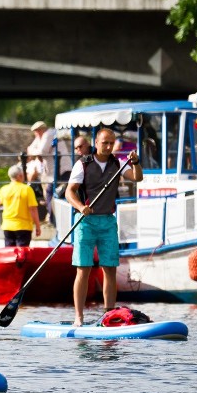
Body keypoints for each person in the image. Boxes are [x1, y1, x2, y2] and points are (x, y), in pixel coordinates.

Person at [65, 128, 143, 326]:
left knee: (110, 269)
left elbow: (137, 178)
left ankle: (109, 315)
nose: (108, 147)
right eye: (104, 143)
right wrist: (81, 207)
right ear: (96, 142)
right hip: (86, 223)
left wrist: (135, 162)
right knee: (83, 269)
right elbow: (69, 192)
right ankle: (78, 317)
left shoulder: (117, 163)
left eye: (111, 143)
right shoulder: (83, 164)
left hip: (108, 221)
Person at [0, 165, 41, 246]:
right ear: (20, 176)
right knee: (22, 254)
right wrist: (38, 226)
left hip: (7, 225)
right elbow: (33, 209)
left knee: (9, 253)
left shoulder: (3, 189)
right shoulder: (27, 189)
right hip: (23, 226)